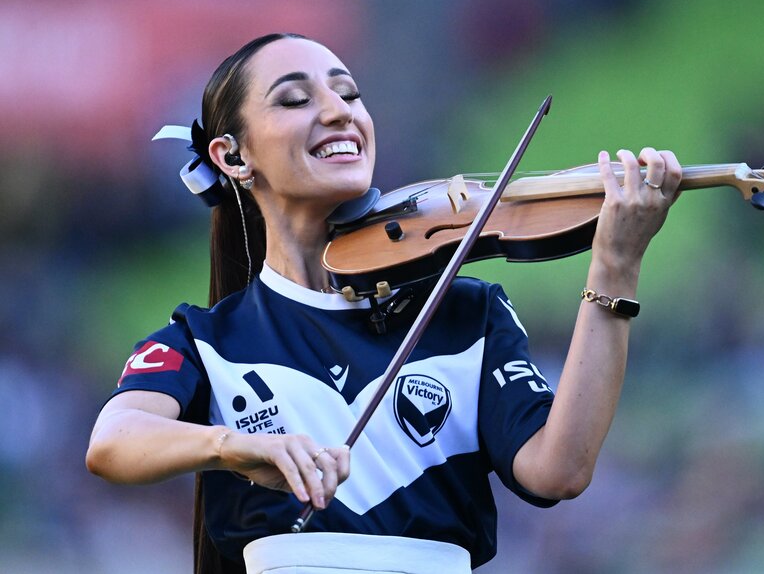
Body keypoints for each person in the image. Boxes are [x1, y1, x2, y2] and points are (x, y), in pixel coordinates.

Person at [86, 32, 682, 574]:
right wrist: (236, 447)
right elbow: (113, 442)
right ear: (233, 157)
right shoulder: (206, 340)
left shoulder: (466, 314)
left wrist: (616, 264)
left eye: (349, 94)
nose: (339, 111)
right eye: (295, 100)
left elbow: (559, 469)